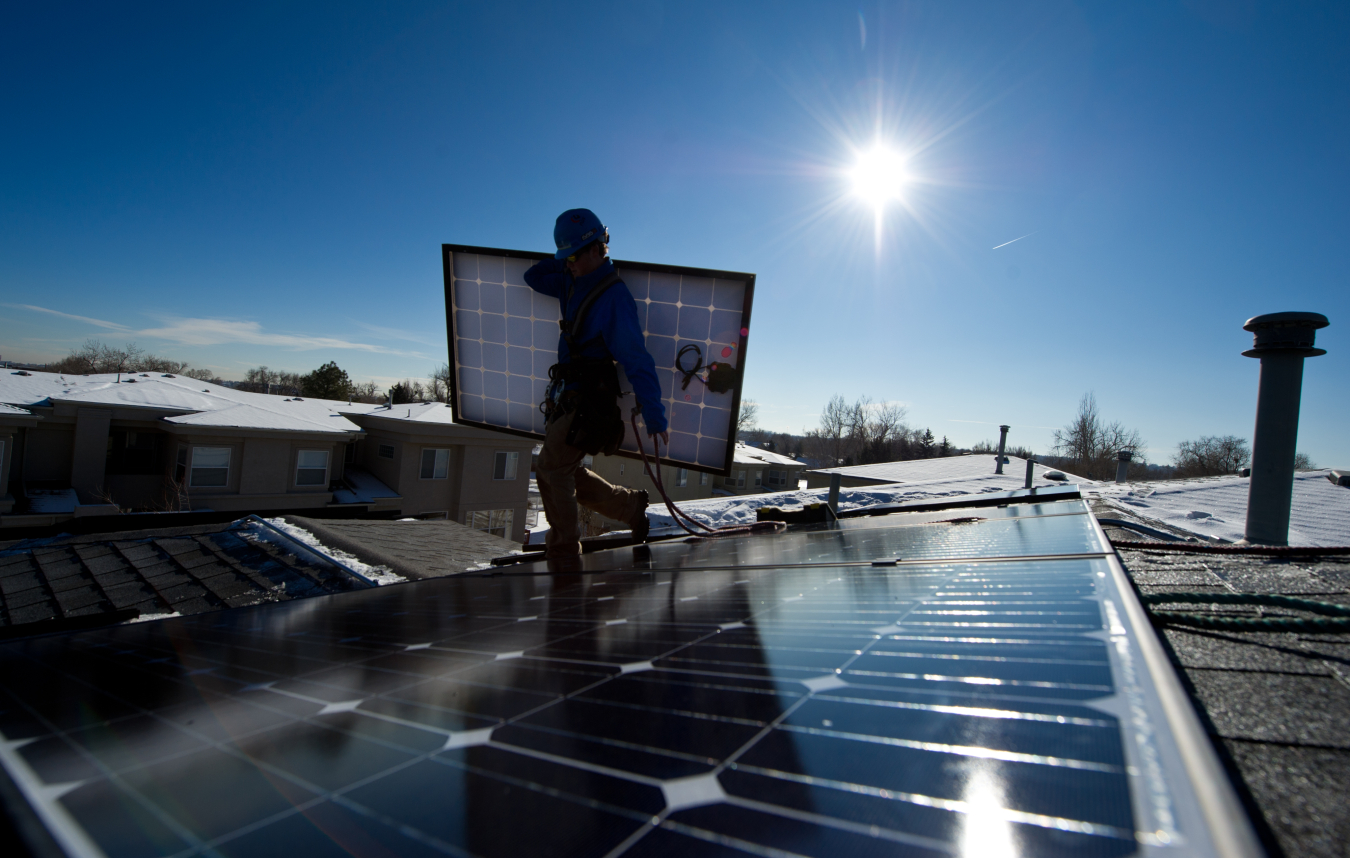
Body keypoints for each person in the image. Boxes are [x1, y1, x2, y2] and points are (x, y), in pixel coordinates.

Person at [524, 208, 668, 560]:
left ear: (597, 249)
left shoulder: (614, 297)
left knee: (550, 468)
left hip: (588, 401)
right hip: (568, 396)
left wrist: (654, 413)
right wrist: (565, 260)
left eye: (573, 256)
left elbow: (636, 358)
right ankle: (631, 508)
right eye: (565, 258)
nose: (568, 264)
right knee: (565, 472)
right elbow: (533, 276)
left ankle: (563, 554)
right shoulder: (569, 278)